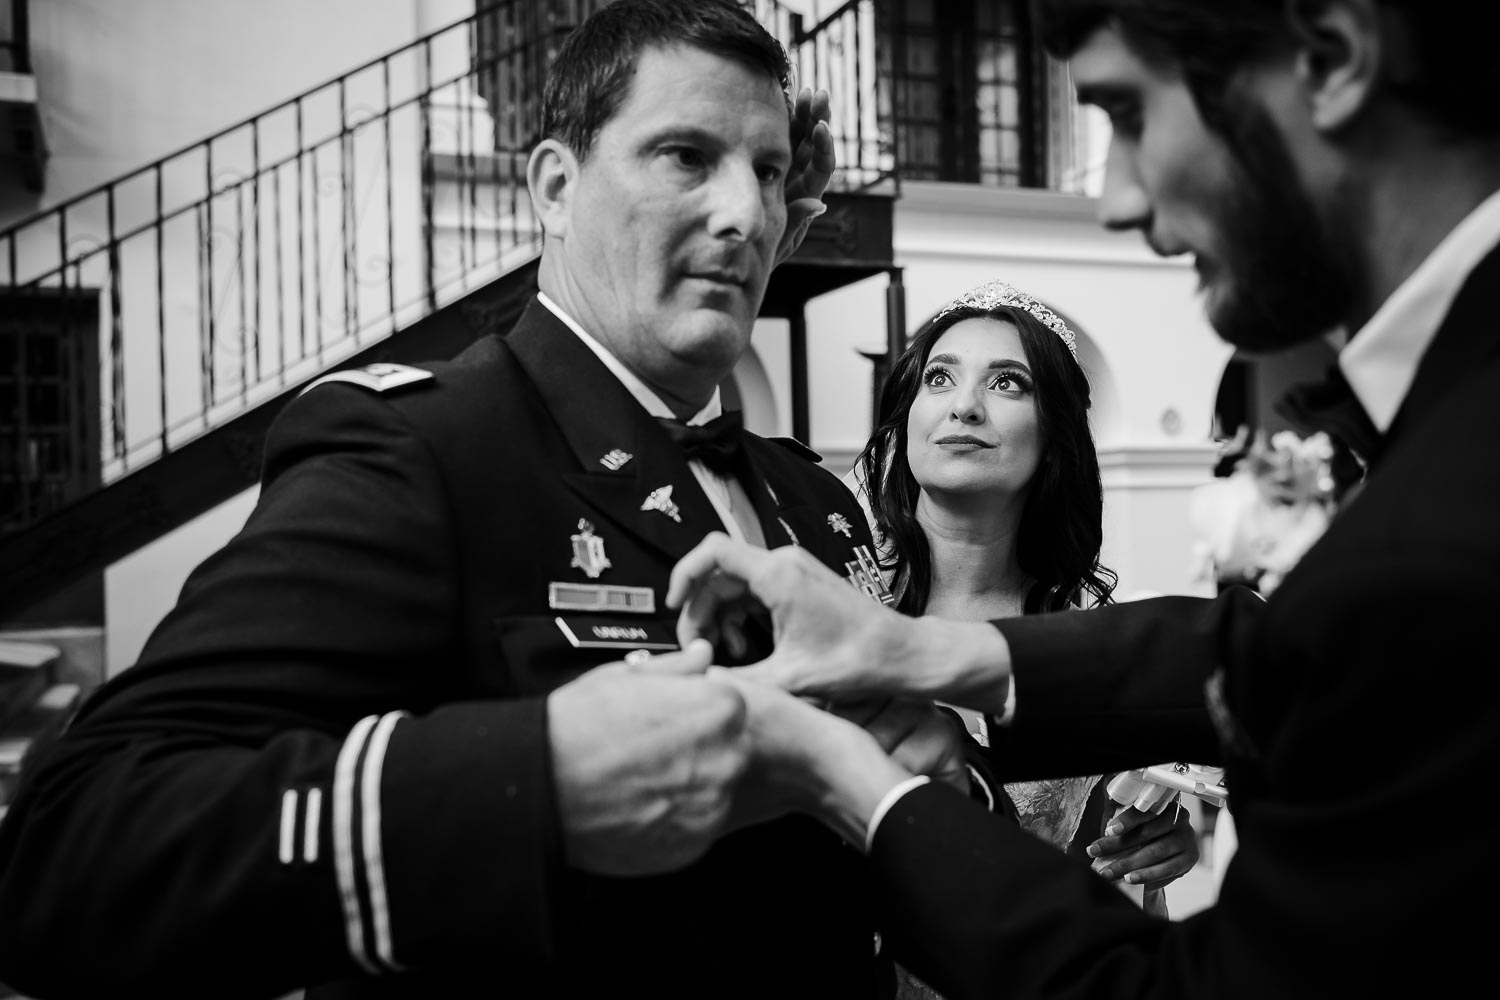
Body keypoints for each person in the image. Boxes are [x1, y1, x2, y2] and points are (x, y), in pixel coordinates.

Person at [0, 2, 986, 997]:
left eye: (769, 172)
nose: (745, 213)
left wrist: (941, 786)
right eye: (686, 156)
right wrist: (537, 780)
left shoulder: (815, 500)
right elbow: (70, 847)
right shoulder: (422, 451)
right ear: (555, 188)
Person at [662, 0, 1500, 996]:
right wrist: (917, 649)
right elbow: (1250, 653)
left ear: (1330, 58)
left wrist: (870, 791)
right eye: (937, 381)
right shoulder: (1438, 430)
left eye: (1128, 113)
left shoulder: (1438, 536)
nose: (1114, 198)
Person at [848, 280, 1197, 1000]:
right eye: (939, 378)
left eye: (1008, 383)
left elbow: (1105, 851)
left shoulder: (1092, 643)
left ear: (1054, 433)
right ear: (908, 413)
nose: (964, 406)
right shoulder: (843, 608)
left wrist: (1152, 847)